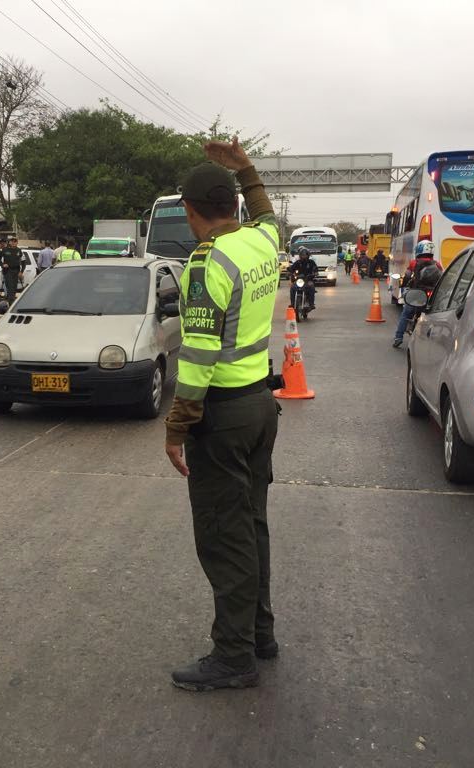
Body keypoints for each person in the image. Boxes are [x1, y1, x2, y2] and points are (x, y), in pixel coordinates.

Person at [164, 137, 281, 693]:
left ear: (190, 211)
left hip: (225, 417)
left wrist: (176, 426)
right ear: (232, 207)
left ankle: (234, 656)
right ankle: (259, 633)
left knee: (223, 536)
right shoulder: (261, 244)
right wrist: (249, 171)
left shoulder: (205, 265)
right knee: (251, 525)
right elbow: (267, 215)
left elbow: (200, 355)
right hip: (261, 406)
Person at [393, 241, 442, 348]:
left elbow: (407, 276)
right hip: (431, 295)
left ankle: (398, 337)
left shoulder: (414, 263)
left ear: (419, 249)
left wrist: (404, 285)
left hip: (416, 294)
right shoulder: (437, 264)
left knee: (405, 314)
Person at [0, 236, 24, 302]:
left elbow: (24, 261)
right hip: (8, 271)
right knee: (10, 287)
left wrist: (21, 271)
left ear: (17, 242)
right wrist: (2, 264)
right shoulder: (4, 250)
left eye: (15, 241)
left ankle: (11, 301)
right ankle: (11, 302)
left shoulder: (19, 250)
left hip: (16, 271)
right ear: (9, 242)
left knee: (14, 287)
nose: (13, 242)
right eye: (12, 241)